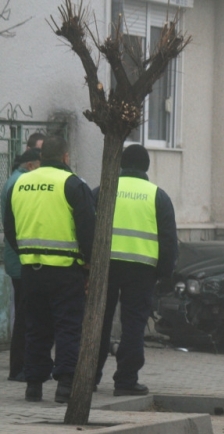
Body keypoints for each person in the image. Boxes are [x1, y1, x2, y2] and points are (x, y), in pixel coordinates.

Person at [3, 135, 96, 403]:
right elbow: (87, 229)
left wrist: (26, 252)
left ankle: (33, 385)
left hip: (31, 269)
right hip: (66, 270)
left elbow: (10, 228)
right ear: (66, 157)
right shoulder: (72, 184)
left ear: (42, 157)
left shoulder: (20, 183)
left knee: (36, 327)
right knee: (68, 326)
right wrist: (88, 265)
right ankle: (65, 385)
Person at [94, 144, 178, 396]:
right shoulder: (157, 196)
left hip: (105, 266)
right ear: (146, 167)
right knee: (133, 325)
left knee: (99, 322)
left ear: (121, 164)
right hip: (142, 270)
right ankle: (126, 380)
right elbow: (168, 240)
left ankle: (88, 377)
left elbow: (87, 226)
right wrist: (164, 273)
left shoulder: (103, 190)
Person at [2, 148, 41, 381]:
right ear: (31, 165)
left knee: (25, 312)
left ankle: (22, 365)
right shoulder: (21, 182)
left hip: (17, 258)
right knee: (26, 314)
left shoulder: (14, 180)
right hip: (21, 260)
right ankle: (19, 367)